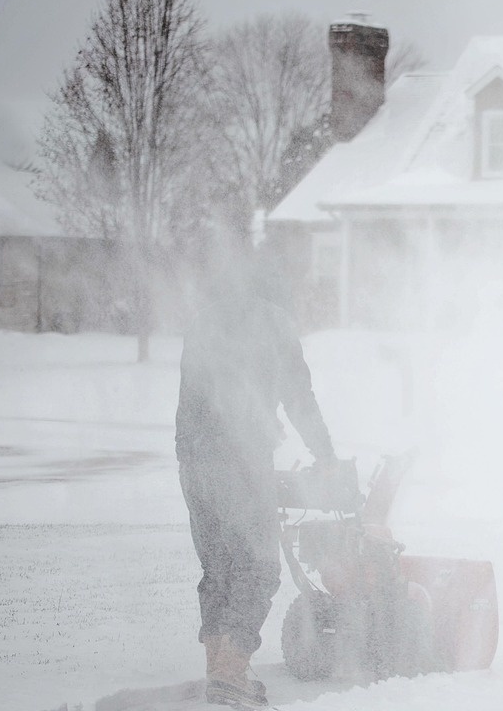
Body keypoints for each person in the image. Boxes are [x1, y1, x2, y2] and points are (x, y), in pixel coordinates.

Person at [175, 257, 336, 708]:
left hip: (192, 463)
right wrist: (325, 457)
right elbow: (299, 398)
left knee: (220, 567)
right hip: (240, 461)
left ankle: (221, 668)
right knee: (259, 567)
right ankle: (230, 674)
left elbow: (193, 398)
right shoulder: (274, 325)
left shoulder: (203, 324)